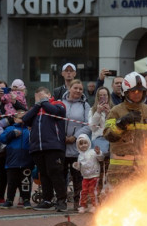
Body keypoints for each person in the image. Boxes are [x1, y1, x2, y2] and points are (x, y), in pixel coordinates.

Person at [103, 72, 147, 188]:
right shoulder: (116, 111)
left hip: (143, 170)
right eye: (133, 91)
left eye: (140, 91)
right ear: (125, 92)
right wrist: (121, 123)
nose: (137, 94)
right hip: (119, 171)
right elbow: (108, 135)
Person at [23, 86, 68, 211]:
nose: (39, 99)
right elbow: (25, 120)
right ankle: (47, 200)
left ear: (48, 94)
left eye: (42, 96)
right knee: (44, 175)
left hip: (54, 146)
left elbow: (55, 112)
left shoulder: (58, 104)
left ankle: (61, 201)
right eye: (37, 97)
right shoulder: (35, 109)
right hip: (37, 147)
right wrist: (38, 105)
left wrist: (44, 102)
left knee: (56, 173)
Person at [62, 80, 92, 208]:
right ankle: (61, 201)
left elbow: (88, 125)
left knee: (78, 178)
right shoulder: (60, 103)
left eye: (80, 89)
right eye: (76, 88)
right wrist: (61, 136)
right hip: (61, 146)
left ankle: (78, 203)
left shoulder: (86, 106)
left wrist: (75, 137)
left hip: (77, 148)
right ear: (70, 88)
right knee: (61, 177)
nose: (78, 91)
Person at [0, 111, 32, 208]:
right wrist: (11, 134)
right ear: (15, 119)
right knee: (11, 181)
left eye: (24, 118)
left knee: (25, 181)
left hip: (26, 160)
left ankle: (26, 200)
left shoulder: (29, 130)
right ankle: (9, 200)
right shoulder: (10, 129)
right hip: (12, 160)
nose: (22, 120)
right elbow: (2, 139)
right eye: (20, 118)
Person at [73, 133, 102, 213]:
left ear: (88, 143)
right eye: (81, 144)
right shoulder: (80, 156)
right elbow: (79, 167)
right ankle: (83, 206)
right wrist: (76, 166)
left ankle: (95, 206)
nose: (83, 145)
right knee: (84, 192)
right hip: (85, 177)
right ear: (78, 145)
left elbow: (100, 158)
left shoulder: (93, 152)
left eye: (85, 143)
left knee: (93, 191)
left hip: (94, 175)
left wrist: (99, 153)